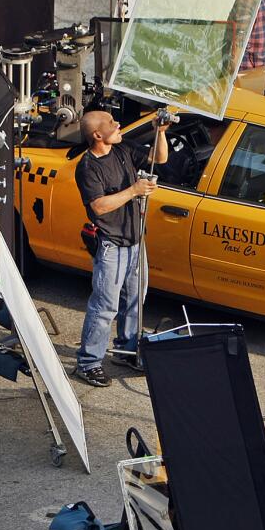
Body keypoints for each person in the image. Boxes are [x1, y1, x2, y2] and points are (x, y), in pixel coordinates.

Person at [73, 110, 169, 387]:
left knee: (134, 301)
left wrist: (160, 132)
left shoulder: (123, 149)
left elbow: (159, 158)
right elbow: (99, 206)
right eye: (113, 124)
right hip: (111, 245)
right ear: (98, 135)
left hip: (136, 240)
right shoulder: (88, 167)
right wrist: (134, 191)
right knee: (105, 307)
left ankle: (127, 350)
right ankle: (88, 362)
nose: (119, 126)